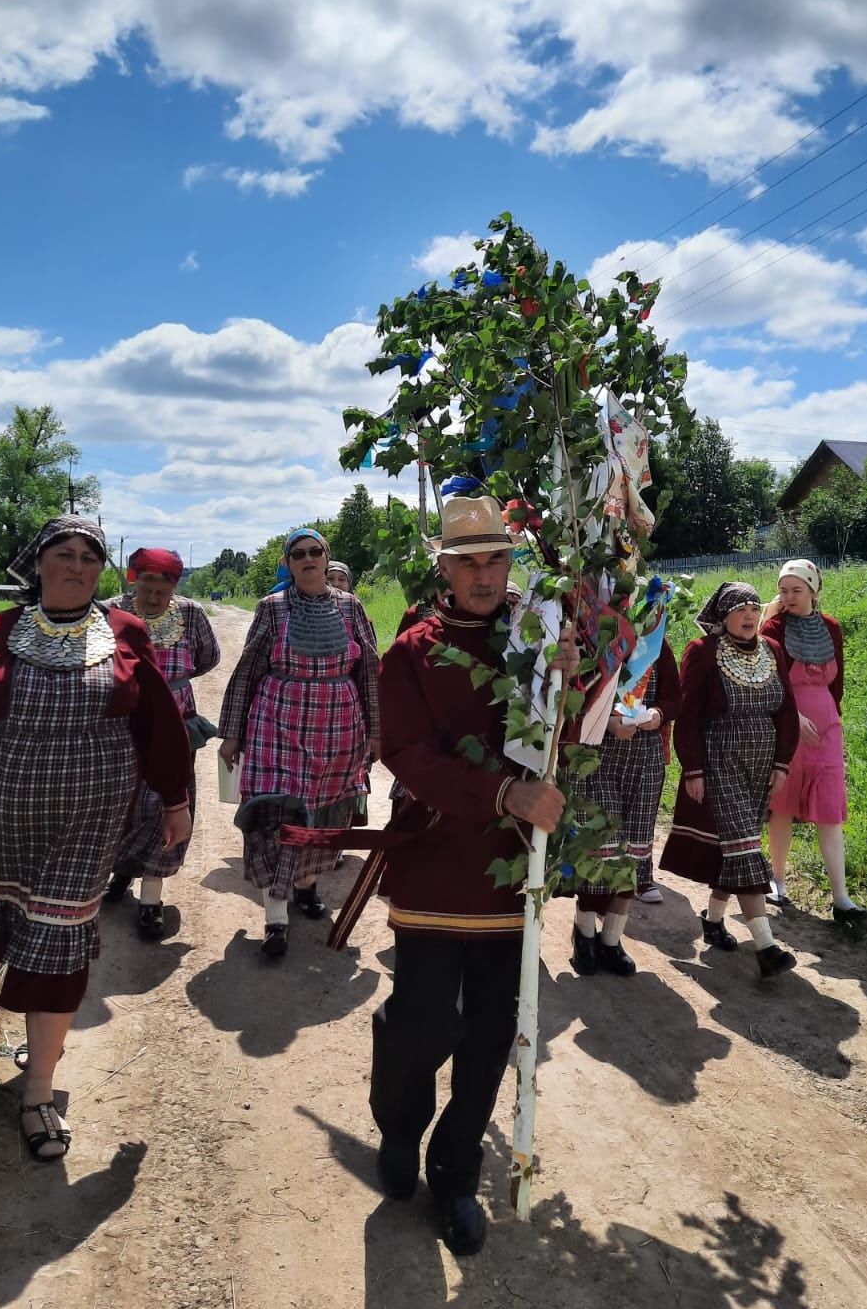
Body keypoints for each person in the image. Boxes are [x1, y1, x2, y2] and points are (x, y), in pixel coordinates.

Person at [0, 516, 191, 1161]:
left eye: (90, 556)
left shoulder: (127, 632)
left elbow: (159, 724)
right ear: (38, 562)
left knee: (57, 942)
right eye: (64, 553)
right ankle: (8, 1031)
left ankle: (37, 1094)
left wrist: (177, 800)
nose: (77, 565)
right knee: (18, 930)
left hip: (88, 822)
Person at [370, 495, 576, 1256]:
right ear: (444, 568)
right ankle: (398, 1122)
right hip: (433, 858)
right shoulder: (413, 650)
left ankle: (456, 1175)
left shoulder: (543, 635)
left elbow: (574, 731)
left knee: (493, 1030)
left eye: (497, 558)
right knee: (424, 1017)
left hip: (510, 868)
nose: (485, 575)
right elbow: (408, 754)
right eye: (468, 561)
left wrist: (571, 682)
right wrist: (497, 791)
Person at [217, 528, 380, 957]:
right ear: (288, 564)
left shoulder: (351, 607)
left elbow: (368, 673)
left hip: (338, 731)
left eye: (315, 552)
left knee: (322, 818)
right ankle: (275, 916)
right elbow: (248, 669)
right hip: (278, 723)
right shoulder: (271, 608)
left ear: (327, 558)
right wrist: (232, 733)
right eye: (298, 554)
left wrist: (377, 731)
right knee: (278, 812)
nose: (307, 559)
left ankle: (306, 886)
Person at [660, 582, 798, 979]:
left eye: (754, 608)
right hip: (721, 760)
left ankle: (714, 918)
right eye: (740, 609)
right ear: (723, 616)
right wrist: (694, 769)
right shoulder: (702, 653)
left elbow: (787, 710)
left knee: (736, 847)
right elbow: (686, 714)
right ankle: (767, 947)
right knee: (744, 847)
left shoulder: (773, 652)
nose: (750, 615)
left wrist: (782, 763)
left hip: (761, 765)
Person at [103, 548, 222, 937]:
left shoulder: (190, 614)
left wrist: (171, 683)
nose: (154, 596)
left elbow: (208, 657)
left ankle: (151, 900)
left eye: (163, 588)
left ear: (175, 585)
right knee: (122, 805)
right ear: (133, 579)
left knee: (165, 807)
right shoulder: (106, 612)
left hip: (176, 723)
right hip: (120, 725)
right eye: (147, 586)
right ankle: (120, 873)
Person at [761, 559, 867, 928]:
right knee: (782, 805)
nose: (789, 597)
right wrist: (790, 718)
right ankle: (777, 882)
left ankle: (840, 897)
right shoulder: (772, 627)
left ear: (813, 590)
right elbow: (769, 681)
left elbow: (836, 684)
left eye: (797, 590)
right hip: (788, 727)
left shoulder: (832, 628)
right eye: (783, 590)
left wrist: (832, 721)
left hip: (826, 728)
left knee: (829, 808)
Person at [570, 638, 681, 976]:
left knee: (633, 850)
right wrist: (607, 724)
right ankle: (584, 932)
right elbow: (574, 697)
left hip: (644, 755)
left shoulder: (658, 646)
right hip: (597, 755)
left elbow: (674, 697)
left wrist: (658, 714)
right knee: (600, 843)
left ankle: (612, 939)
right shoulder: (594, 641)